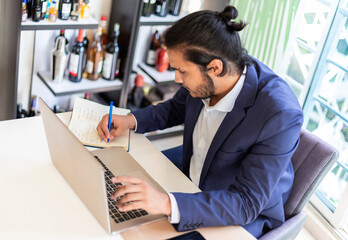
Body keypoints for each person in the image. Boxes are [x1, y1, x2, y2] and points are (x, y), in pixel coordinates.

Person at [97, 5, 303, 238]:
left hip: (236, 213)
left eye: (182, 72)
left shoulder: (280, 114)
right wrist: (130, 120)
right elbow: (176, 108)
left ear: (215, 68)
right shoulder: (209, 73)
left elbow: (245, 203)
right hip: (195, 174)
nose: (176, 79)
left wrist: (166, 203)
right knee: (114, 193)